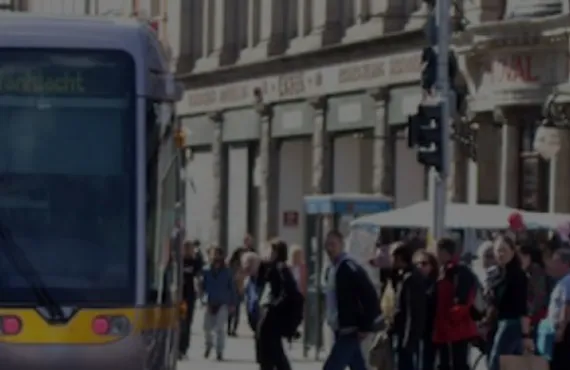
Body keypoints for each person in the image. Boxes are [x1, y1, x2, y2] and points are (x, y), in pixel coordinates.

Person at [322, 230, 383, 370]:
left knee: (332, 367)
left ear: (342, 245)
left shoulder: (349, 267)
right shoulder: (333, 268)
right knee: (357, 365)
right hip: (340, 327)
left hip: (350, 329)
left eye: (333, 244)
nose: (329, 248)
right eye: (327, 245)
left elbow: (369, 296)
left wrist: (365, 326)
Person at [487, 235, 533, 370]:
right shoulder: (496, 274)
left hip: (511, 323)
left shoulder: (518, 275)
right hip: (497, 322)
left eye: (504, 250)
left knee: (496, 363)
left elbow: (522, 307)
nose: (500, 254)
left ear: (513, 252)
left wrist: (526, 335)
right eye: (497, 250)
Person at [432, 238, 479, 370]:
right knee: (446, 364)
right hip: (446, 329)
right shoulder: (444, 271)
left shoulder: (458, 272)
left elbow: (463, 300)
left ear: (443, 252)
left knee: (458, 364)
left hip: (456, 329)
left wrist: (451, 319)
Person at [256, 240, 299, 370]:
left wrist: (275, 306)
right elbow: (260, 281)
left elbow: (288, 291)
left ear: (276, 252)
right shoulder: (271, 266)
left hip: (272, 314)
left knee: (271, 348)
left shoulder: (281, 268)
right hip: (268, 311)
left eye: (271, 250)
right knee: (272, 349)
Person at [390, 243, 426, 370]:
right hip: (402, 332)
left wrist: (408, 339)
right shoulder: (404, 276)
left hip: (407, 335)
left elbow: (413, 311)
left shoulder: (411, 279)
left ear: (399, 258)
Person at [201, 247, 236, 361]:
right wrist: (201, 297)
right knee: (206, 327)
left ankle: (219, 351)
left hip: (223, 302)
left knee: (220, 328)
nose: (215, 258)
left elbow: (232, 288)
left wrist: (232, 303)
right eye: (213, 255)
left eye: (218, 255)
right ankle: (208, 345)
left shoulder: (227, 272)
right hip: (209, 302)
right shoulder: (205, 270)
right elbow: (202, 286)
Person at [241, 251, 269, 364]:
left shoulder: (265, 278)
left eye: (250, 263)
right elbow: (247, 297)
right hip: (253, 314)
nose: (247, 266)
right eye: (245, 264)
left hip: (265, 314)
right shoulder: (248, 280)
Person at [412, 249, 438, 370]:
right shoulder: (410, 283)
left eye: (424, 263)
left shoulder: (435, 285)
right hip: (413, 332)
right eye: (416, 264)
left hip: (429, 332)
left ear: (432, 266)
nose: (419, 267)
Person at [545, 248, 570, 370]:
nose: (552, 265)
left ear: (565, 264)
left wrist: (561, 329)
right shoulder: (562, 281)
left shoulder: (568, 281)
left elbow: (567, 305)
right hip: (558, 330)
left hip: (564, 332)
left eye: (556, 262)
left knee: (561, 364)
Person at [178, 240, 203, 360]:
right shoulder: (178, 261)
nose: (188, 250)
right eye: (185, 248)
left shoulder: (196, 262)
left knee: (186, 323)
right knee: (178, 323)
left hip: (188, 297)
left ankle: (183, 348)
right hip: (177, 297)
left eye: (190, 248)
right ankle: (178, 347)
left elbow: (199, 275)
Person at [518, 244, 549, 330]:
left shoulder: (536, 270)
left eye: (522, 257)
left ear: (529, 257)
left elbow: (539, 294)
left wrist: (530, 313)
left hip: (535, 315)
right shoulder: (522, 271)